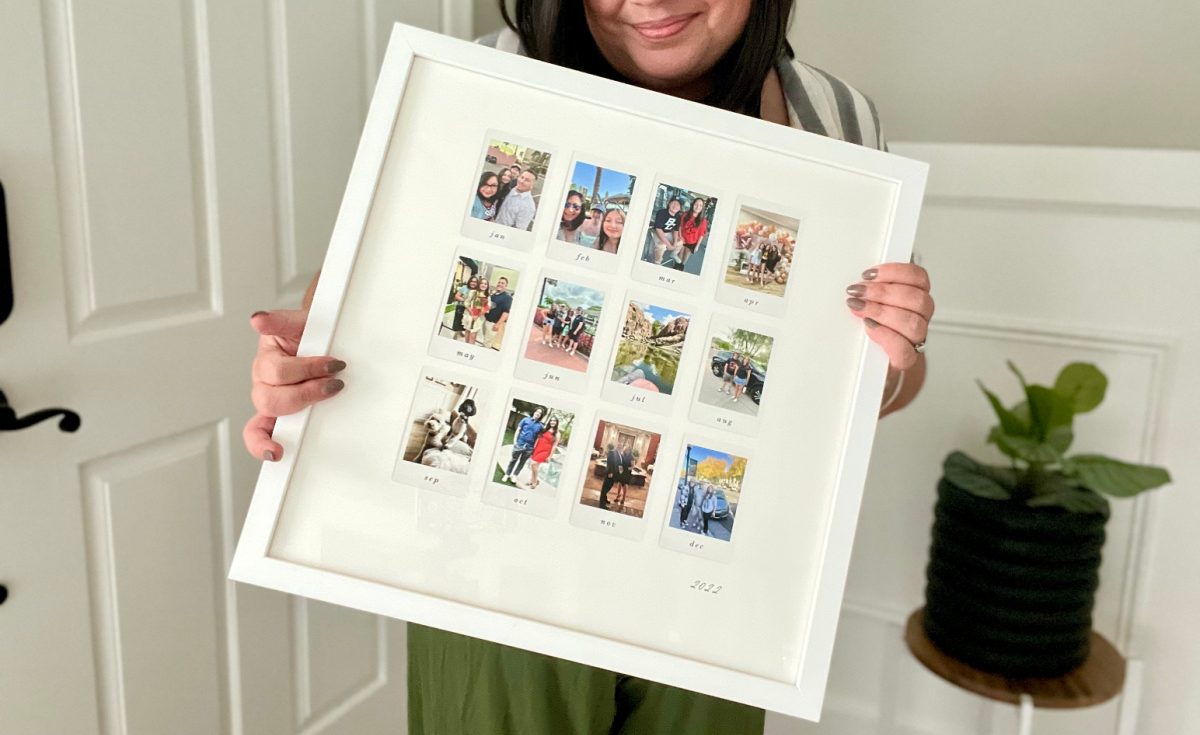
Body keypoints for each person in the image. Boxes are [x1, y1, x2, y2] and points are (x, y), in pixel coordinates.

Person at [245, 3, 934, 732]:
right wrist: (299, 367)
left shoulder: (835, 115)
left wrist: (888, 353)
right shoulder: (481, 75)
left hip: (713, 596)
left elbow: (893, 382)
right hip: (493, 576)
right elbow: (372, 294)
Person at [504, 407, 545, 483]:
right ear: (534, 412)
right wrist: (515, 441)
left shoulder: (540, 426)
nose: (538, 413)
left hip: (529, 448)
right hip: (520, 443)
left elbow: (540, 438)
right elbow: (518, 430)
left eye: (540, 413)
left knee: (522, 462)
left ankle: (515, 475)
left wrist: (534, 448)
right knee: (513, 460)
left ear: (541, 415)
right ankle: (507, 474)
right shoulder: (525, 420)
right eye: (537, 412)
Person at [676, 197, 709, 270]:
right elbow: (680, 226)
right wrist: (680, 237)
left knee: (686, 255)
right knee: (680, 253)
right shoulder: (685, 214)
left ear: (702, 208)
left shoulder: (703, 221)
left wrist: (697, 246)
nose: (698, 207)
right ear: (693, 204)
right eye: (696, 204)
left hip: (692, 242)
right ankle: (678, 264)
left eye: (700, 205)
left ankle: (682, 265)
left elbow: (701, 235)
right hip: (683, 239)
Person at [528, 416, 559, 489]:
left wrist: (550, 457)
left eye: (554, 421)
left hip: (545, 451)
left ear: (557, 422)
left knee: (533, 464)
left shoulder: (557, 433)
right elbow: (539, 438)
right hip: (538, 448)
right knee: (535, 466)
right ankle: (532, 480)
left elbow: (554, 446)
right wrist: (534, 447)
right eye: (551, 420)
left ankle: (535, 481)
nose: (552, 422)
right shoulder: (545, 429)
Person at [649, 197, 682, 265]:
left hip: (668, 232)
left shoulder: (678, 217)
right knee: (662, 246)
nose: (675, 206)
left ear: (680, 208)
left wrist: (675, 243)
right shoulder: (662, 212)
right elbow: (658, 229)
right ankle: (657, 262)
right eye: (673, 203)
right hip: (657, 232)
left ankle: (674, 254)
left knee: (680, 242)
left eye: (678, 204)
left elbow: (676, 230)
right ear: (669, 204)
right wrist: (668, 244)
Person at [483, 276, 512, 349]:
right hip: (485, 320)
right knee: (486, 339)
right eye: (499, 282)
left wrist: (498, 324)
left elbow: (506, 312)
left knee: (487, 342)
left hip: (493, 323)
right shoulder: (493, 295)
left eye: (502, 283)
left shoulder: (507, 297)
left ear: (506, 286)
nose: (500, 284)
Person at [462, 277, 489, 345]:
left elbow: (487, 309)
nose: (483, 285)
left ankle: (470, 349)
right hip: (469, 315)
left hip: (478, 318)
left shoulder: (488, 296)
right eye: (482, 283)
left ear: (487, 286)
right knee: (467, 332)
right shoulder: (473, 292)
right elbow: (466, 303)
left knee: (473, 335)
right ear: (479, 284)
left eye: (485, 284)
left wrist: (477, 315)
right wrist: (472, 313)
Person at [598, 441, 621, 510]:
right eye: (619, 446)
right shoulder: (612, 452)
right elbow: (610, 462)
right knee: (606, 488)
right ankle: (602, 504)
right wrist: (610, 472)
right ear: (617, 445)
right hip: (610, 473)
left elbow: (618, 463)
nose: (620, 447)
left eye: (621, 446)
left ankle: (604, 499)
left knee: (609, 487)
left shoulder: (618, 453)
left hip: (614, 474)